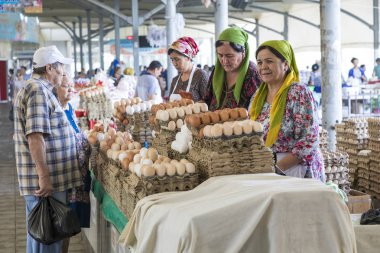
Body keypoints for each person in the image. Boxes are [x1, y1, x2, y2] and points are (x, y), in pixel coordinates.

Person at [13, 45, 83, 253]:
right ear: (50, 67)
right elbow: (35, 137)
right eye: (60, 67)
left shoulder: (39, 89)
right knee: (48, 239)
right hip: (45, 184)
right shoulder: (37, 90)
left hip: (47, 182)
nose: (62, 72)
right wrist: (44, 176)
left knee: (40, 237)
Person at [249, 40, 324, 181]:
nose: (263, 67)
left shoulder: (298, 92)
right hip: (266, 169)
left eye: (269, 61)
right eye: (259, 62)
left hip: (295, 170)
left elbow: (309, 140)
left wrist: (276, 169)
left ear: (285, 64)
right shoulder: (258, 96)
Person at [57, 73, 91, 253]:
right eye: (65, 86)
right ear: (54, 88)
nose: (71, 89)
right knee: (60, 224)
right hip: (63, 177)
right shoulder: (54, 111)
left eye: (71, 85)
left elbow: (76, 135)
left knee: (68, 224)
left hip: (75, 178)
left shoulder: (68, 107)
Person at [205, 27, 261, 111]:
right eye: (220, 55)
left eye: (229, 56)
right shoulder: (217, 71)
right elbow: (207, 99)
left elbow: (257, 109)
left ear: (243, 52)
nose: (224, 60)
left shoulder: (252, 74)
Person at [168, 37, 209, 102]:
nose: (174, 64)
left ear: (188, 58)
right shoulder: (175, 80)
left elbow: (209, 101)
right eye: (172, 59)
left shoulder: (201, 75)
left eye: (177, 59)